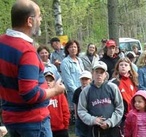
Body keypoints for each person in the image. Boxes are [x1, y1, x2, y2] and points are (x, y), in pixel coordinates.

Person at [0, 0, 65, 136]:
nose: (40, 20)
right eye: (39, 16)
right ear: (30, 21)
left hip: (11, 119)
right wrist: (55, 90)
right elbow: (30, 94)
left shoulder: (2, 42)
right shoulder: (26, 51)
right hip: (33, 121)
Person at [78, 61, 124, 137]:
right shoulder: (86, 91)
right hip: (95, 128)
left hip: (112, 127)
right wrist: (93, 120)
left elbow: (119, 107)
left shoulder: (112, 87)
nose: (99, 75)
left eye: (102, 72)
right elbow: (81, 110)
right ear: (92, 73)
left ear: (105, 75)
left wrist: (110, 122)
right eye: (97, 72)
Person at [111, 58, 139, 131]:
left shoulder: (134, 80)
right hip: (122, 116)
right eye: (121, 65)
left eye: (126, 65)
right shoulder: (114, 82)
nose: (123, 66)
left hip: (134, 113)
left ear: (130, 67)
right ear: (118, 67)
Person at [60, 40, 84, 112]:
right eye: (71, 47)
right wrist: (78, 92)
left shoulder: (79, 60)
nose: (73, 49)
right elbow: (68, 80)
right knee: (75, 112)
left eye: (75, 47)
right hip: (73, 93)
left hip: (82, 90)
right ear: (67, 49)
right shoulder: (65, 62)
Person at [44, 71, 70, 137]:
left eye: (50, 80)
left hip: (61, 129)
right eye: (46, 80)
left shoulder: (60, 95)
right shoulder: (41, 96)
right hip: (46, 129)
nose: (48, 82)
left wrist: (65, 124)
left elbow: (65, 110)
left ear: (54, 82)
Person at [72, 70, 92, 137]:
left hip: (90, 116)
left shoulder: (92, 90)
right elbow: (75, 103)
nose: (84, 81)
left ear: (90, 80)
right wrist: (76, 115)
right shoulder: (77, 91)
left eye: (86, 79)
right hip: (80, 117)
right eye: (82, 79)